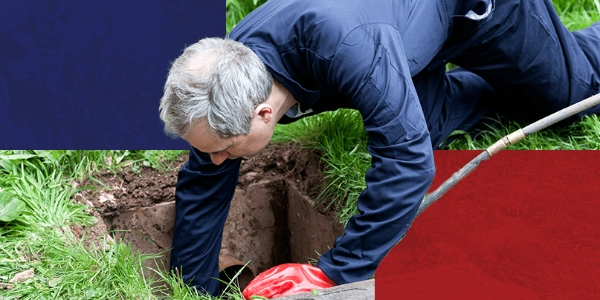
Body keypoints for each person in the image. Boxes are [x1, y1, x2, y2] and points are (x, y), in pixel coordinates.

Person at [159, 0, 600, 297]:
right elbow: (205, 176)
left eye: (224, 149)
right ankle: (513, 82)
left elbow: (408, 162)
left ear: (263, 114)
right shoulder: (232, 74)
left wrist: (334, 272)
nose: (214, 159)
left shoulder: (348, 48)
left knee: (572, 94)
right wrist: (194, 288)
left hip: (476, 10)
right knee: (432, 125)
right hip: (402, 31)